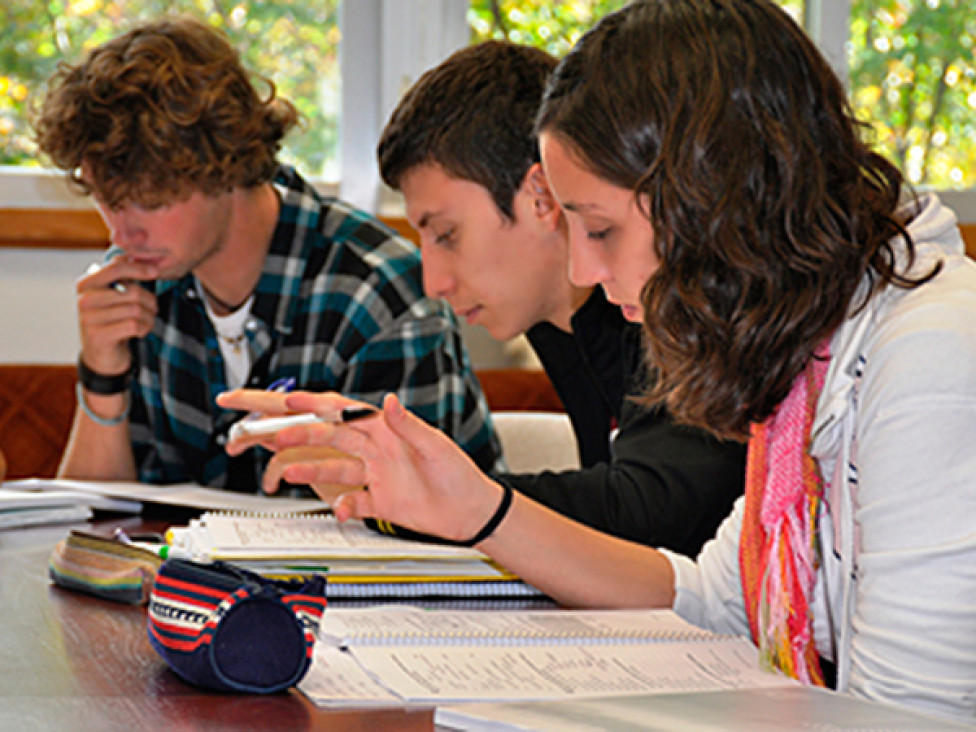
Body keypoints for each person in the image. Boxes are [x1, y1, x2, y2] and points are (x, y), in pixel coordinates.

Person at [219, 0, 976, 723]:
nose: (581, 270)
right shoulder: (808, 359)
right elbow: (709, 596)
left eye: (602, 230)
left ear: (714, 200)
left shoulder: (927, 358)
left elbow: (903, 720)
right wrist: (479, 512)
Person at [32, 17, 501, 492]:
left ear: (225, 167)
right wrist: (102, 377)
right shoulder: (142, 284)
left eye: (152, 201)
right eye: (108, 201)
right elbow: (96, 524)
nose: (123, 234)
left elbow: (411, 532)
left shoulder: (379, 292)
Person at [370, 40, 745, 552]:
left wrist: (446, 501)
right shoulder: (553, 317)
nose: (434, 282)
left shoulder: (670, 294)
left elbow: (656, 515)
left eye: (447, 235)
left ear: (540, 194)